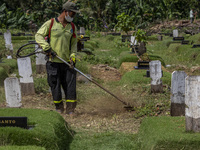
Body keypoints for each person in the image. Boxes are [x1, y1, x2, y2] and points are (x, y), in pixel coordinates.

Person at [35, 2, 79, 115]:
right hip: (53, 62)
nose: (73, 16)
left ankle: (70, 109)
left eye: (74, 14)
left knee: (70, 86)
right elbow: (38, 35)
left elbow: (74, 44)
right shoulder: (51, 23)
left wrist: (73, 55)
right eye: (72, 13)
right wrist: (46, 47)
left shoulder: (72, 27)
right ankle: (59, 108)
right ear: (65, 11)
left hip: (68, 63)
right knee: (55, 85)